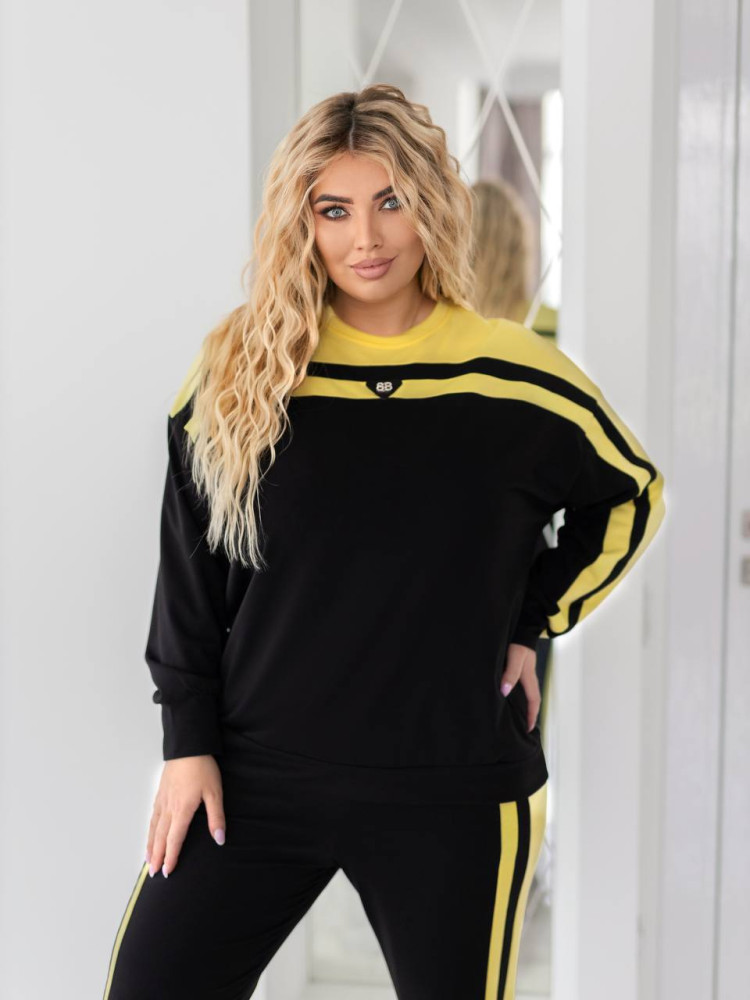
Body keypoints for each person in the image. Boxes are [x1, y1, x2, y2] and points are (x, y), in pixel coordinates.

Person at [102, 84, 666, 1000]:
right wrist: (185, 742)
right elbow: (190, 578)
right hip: (253, 777)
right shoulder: (241, 371)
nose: (365, 238)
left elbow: (631, 494)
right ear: (303, 221)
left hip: (454, 793)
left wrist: (533, 618)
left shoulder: (517, 381)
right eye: (334, 210)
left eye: (390, 202)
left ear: (430, 204)